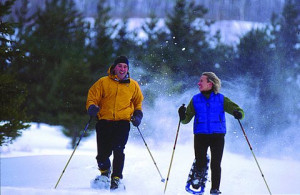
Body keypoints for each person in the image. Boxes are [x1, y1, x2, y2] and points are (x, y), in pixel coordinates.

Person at [178, 72, 244, 195]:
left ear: (210, 83)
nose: (198, 83)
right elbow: (186, 120)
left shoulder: (221, 99)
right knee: (200, 160)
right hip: (200, 135)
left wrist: (238, 113)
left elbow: (238, 110)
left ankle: (215, 189)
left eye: (201, 81)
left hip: (217, 136)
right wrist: (182, 115)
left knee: (216, 163)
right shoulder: (195, 99)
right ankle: (198, 178)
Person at [86, 55, 144, 190]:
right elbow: (92, 97)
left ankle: (116, 178)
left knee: (119, 149)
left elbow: (138, 103)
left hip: (123, 123)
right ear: (114, 67)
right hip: (104, 122)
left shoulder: (133, 85)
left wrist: (138, 116)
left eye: (125, 67)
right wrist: (92, 107)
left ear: (128, 69)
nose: (122, 69)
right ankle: (105, 172)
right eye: (120, 66)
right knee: (102, 154)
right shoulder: (103, 82)